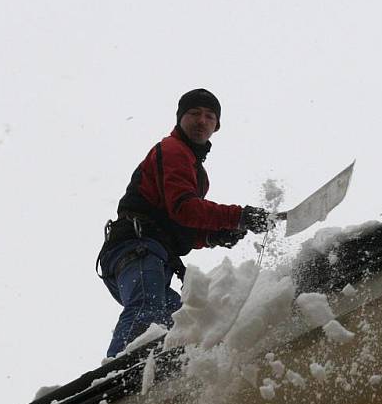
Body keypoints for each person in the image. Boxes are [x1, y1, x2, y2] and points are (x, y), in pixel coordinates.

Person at [97, 88, 272, 357]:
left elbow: (181, 226)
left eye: (209, 116)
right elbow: (185, 209)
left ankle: (155, 373)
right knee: (147, 307)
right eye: (194, 113)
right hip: (135, 250)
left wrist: (213, 236)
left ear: (217, 126)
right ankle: (112, 380)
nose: (202, 120)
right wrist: (239, 216)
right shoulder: (173, 150)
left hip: (150, 258)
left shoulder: (198, 173)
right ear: (180, 118)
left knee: (179, 319)